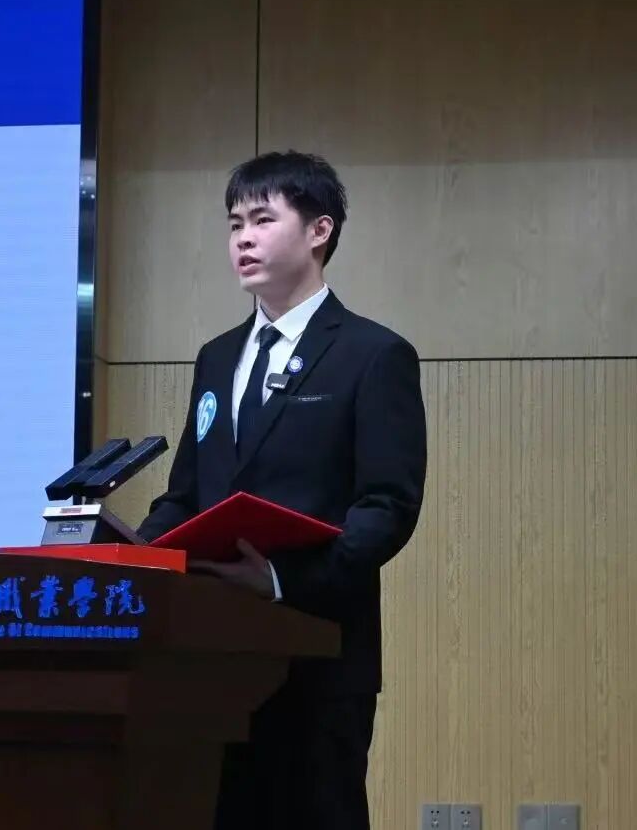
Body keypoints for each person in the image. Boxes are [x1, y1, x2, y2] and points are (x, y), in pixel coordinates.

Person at [137, 150, 427, 830]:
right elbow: (188, 494)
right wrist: (135, 555)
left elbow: (387, 507)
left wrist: (277, 580)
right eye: (234, 223)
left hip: (318, 656)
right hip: (209, 660)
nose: (243, 238)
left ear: (320, 230)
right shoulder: (216, 357)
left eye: (263, 219)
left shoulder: (373, 354)